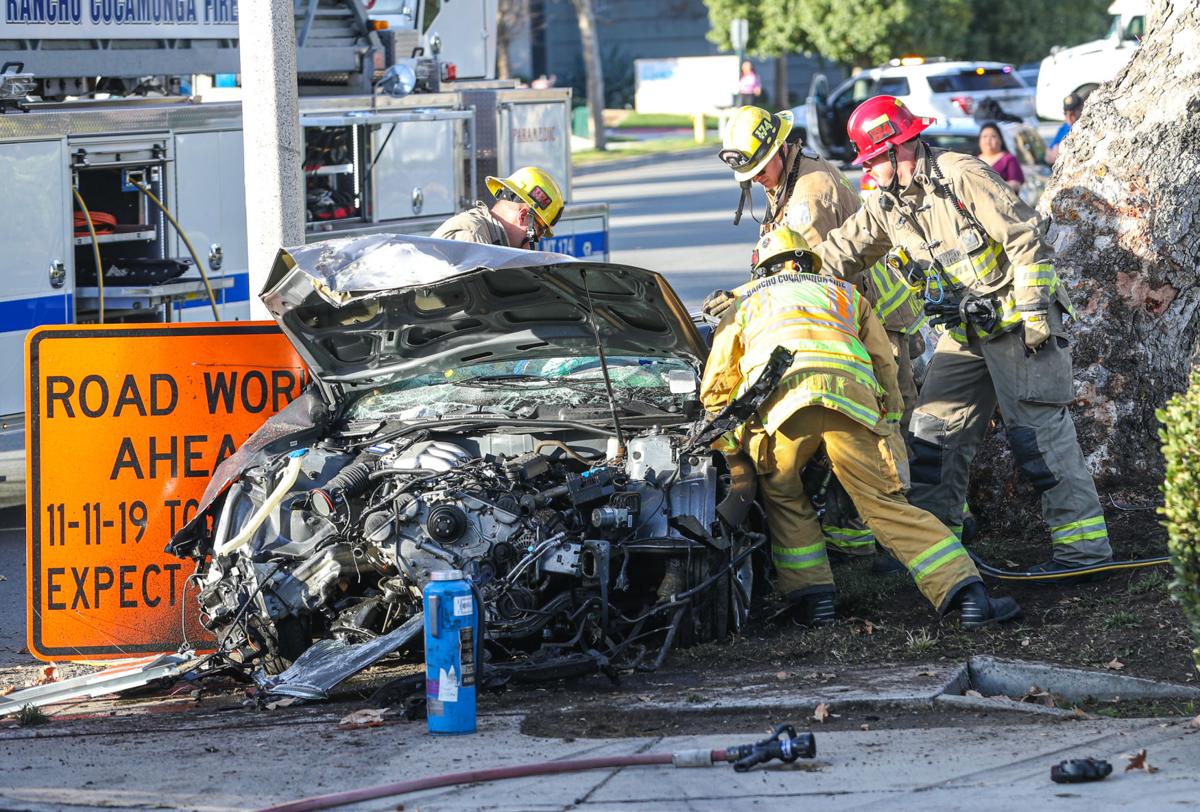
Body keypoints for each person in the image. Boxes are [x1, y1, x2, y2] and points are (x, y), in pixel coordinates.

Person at [811, 95, 1114, 579]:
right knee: (933, 432)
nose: (867, 171)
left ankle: (1084, 554)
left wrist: (1035, 315)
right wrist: (782, 277)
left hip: (1017, 325)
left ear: (899, 149)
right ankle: (938, 550)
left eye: (872, 161)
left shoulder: (961, 176)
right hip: (966, 330)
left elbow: (1025, 239)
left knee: (1038, 438)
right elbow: (842, 251)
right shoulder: (887, 203)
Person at [700, 228, 1020, 628]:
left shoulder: (745, 301)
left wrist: (727, 440)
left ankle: (813, 602)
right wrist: (889, 420)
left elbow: (718, 382)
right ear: (807, 261)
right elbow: (884, 363)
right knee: (883, 505)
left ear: (761, 269)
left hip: (782, 412)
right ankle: (967, 595)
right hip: (851, 407)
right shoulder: (846, 294)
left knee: (784, 495)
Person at [708, 105, 926, 558]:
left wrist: (744, 298)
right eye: (748, 174)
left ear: (781, 149)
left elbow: (804, 276)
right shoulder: (788, 179)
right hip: (850, 321)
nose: (756, 180)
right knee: (854, 427)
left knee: (884, 427)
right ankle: (859, 536)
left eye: (759, 168)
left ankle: (911, 531)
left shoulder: (811, 194)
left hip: (875, 325)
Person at [432, 166, 563, 248]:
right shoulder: (472, 239)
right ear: (523, 216)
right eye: (539, 231)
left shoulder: (495, 244)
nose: (538, 240)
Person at [977, 122, 1024, 192]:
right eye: (984, 136)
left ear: (1000, 140)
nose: (988, 140)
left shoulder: (1009, 159)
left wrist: (992, 187)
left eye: (993, 136)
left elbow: (1016, 184)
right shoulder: (975, 161)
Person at [1046, 93, 1084, 165]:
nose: (1068, 118)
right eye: (1066, 114)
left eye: (1072, 114)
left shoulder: (1084, 130)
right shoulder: (1063, 129)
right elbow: (1048, 156)